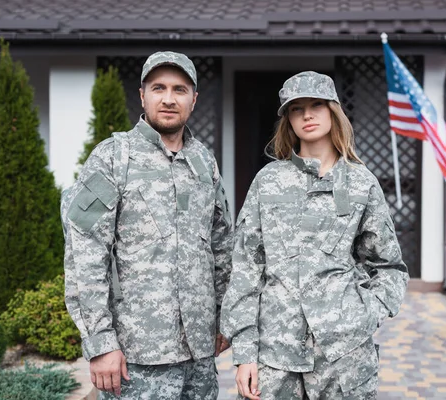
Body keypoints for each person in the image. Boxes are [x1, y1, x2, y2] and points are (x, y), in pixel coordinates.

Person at [220, 71, 409, 399]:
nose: (307, 115)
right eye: (297, 108)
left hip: (342, 358)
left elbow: (389, 267)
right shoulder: (268, 181)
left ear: (333, 111)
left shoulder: (360, 183)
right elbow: (246, 271)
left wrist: (364, 315)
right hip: (274, 355)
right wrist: (245, 352)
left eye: (317, 105)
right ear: (288, 119)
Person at [61, 51, 232, 399]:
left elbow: (221, 246)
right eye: (159, 88)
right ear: (142, 95)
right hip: (137, 356)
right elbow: (85, 255)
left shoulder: (203, 162)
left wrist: (224, 319)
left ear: (194, 99)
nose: (169, 99)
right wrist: (101, 343)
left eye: (180, 90)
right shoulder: (112, 157)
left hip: (200, 354)